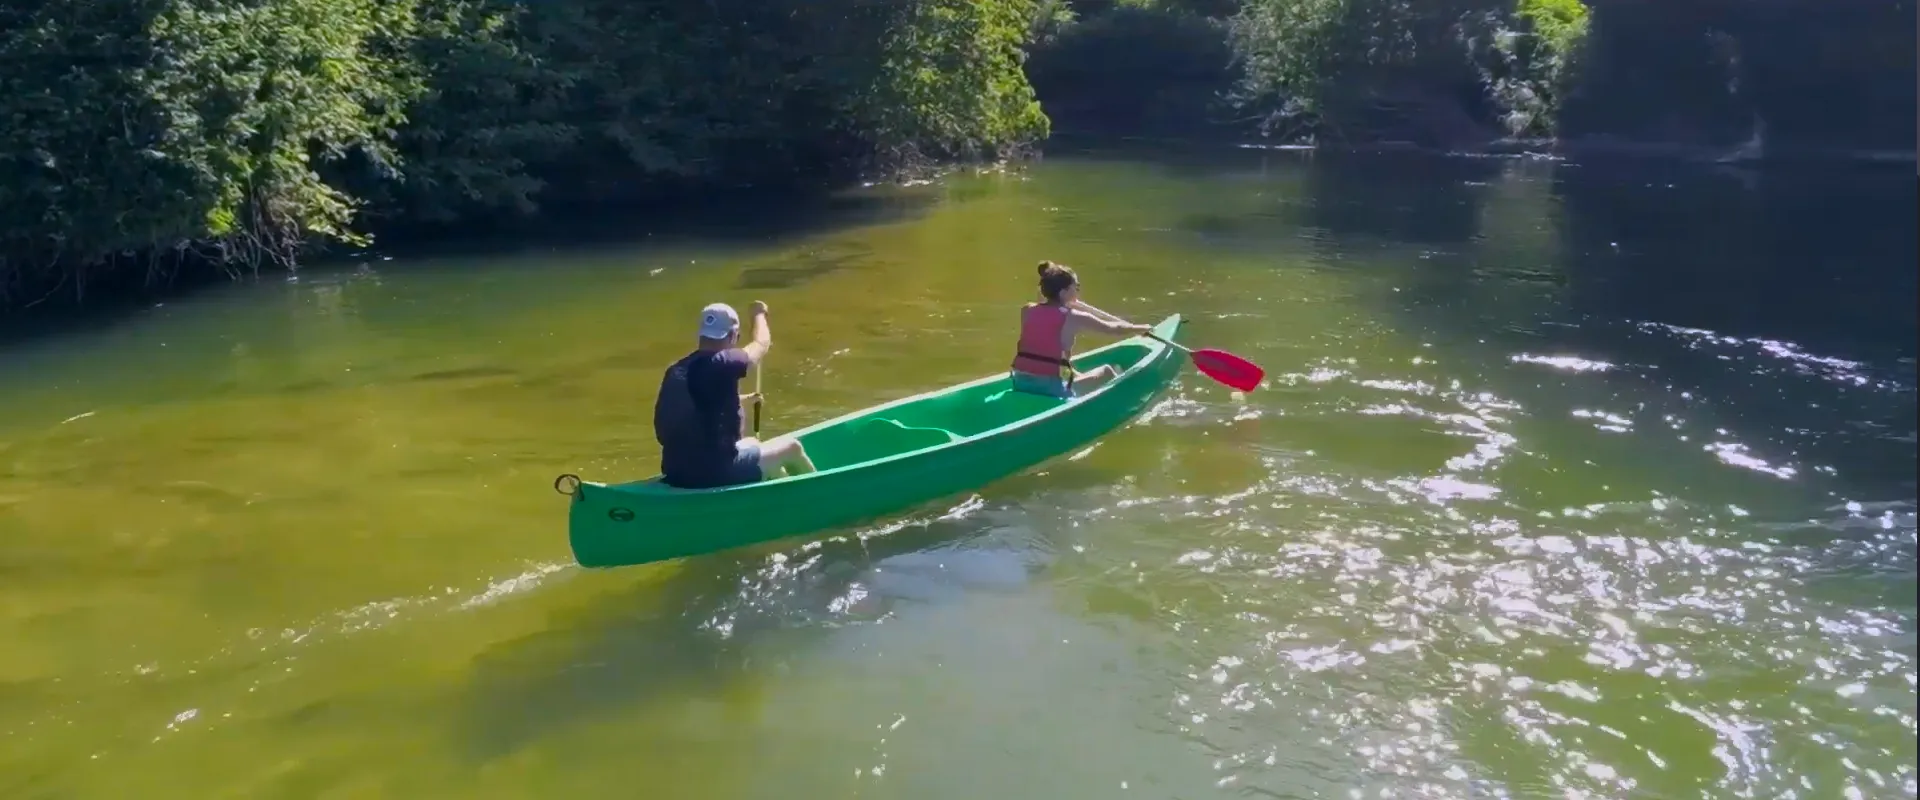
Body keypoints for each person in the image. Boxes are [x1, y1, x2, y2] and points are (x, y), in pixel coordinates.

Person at [654, 300, 816, 489]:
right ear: (732, 335)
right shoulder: (723, 362)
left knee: (752, 442)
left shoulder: (677, 370)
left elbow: (696, 406)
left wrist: (744, 399)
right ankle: (821, 497)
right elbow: (761, 343)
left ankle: (779, 496)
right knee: (791, 448)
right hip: (713, 473)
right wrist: (759, 314)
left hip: (675, 471)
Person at [1009, 260, 1153, 399]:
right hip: (1050, 389)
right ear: (1064, 292)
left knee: (1070, 369)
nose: (1078, 291)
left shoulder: (1027, 310)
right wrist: (1140, 328)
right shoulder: (1073, 317)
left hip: (1020, 381)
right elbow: (1113, 328)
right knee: (1107, 371)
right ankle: (1126, 401)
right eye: (1075, 287)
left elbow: (1044, 323)